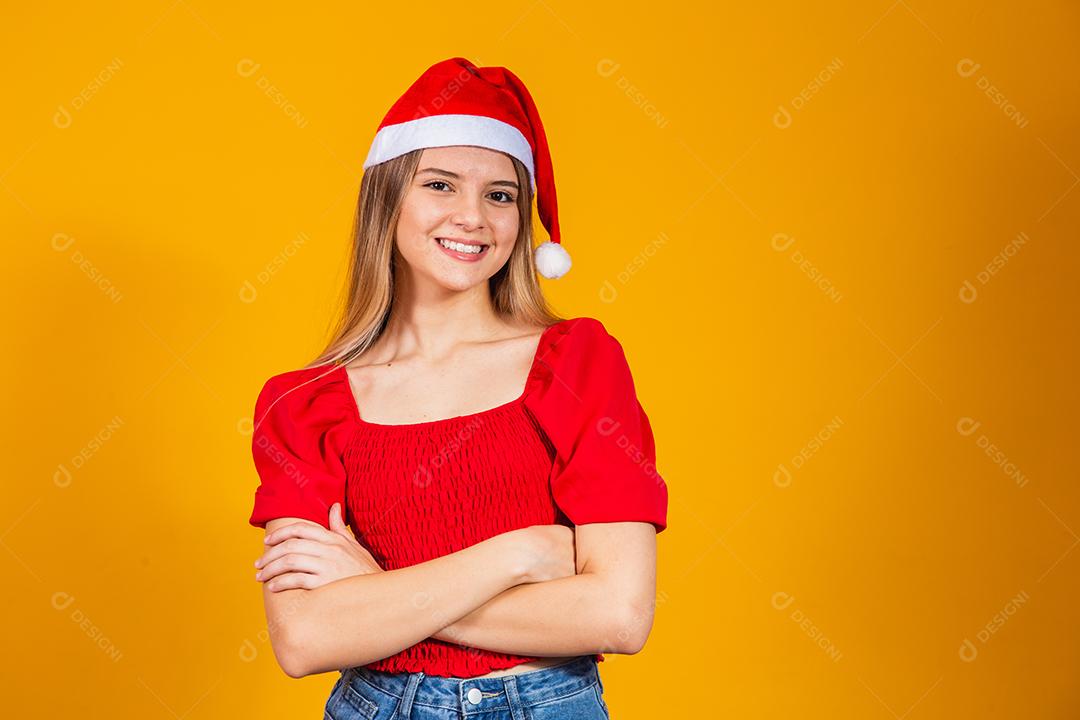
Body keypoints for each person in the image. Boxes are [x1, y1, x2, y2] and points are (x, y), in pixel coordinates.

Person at [247, 56, 668, 720]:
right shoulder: (301, 404)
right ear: (388, 201)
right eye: (440, 185)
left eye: (500, 195)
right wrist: (518, 554)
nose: (472, 216)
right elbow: (306, 639)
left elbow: (618, 614)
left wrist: (378, 591)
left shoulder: (577, 364)